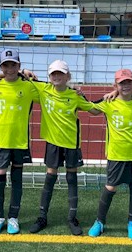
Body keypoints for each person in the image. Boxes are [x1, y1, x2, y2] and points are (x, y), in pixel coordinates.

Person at [27, 59, 99, 235]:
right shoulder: (43, 90)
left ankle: (72, 217)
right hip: (53, 142)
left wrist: (110, 96)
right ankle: (42, 217)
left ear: (68, 76)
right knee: (50, 176)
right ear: (49, 77)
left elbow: (95, 110)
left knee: (71, 178)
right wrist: (27, 70)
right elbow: (22, 76)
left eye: (61, 73)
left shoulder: (74, 96)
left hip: (71, 144)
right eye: (53, 74)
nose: (57, 76)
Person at [87, 68, 132, 239]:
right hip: (116, 154)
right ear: (115, 85)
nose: (126, 86)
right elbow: (92, 110)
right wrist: (108, 94)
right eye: (121, 83)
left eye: (129, 82)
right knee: (110, 187)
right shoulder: (109, 103)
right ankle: (100, 221)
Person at [0, 48, 40, 236]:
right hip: (0, 141)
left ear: (19, 66)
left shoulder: (28, 87)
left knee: (17, 180)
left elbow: (49, 91)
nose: (9, 69)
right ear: (1, 66)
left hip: (19, 141)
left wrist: (74, 88)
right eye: (5, 65)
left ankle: (13, 218)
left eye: (13, 65)